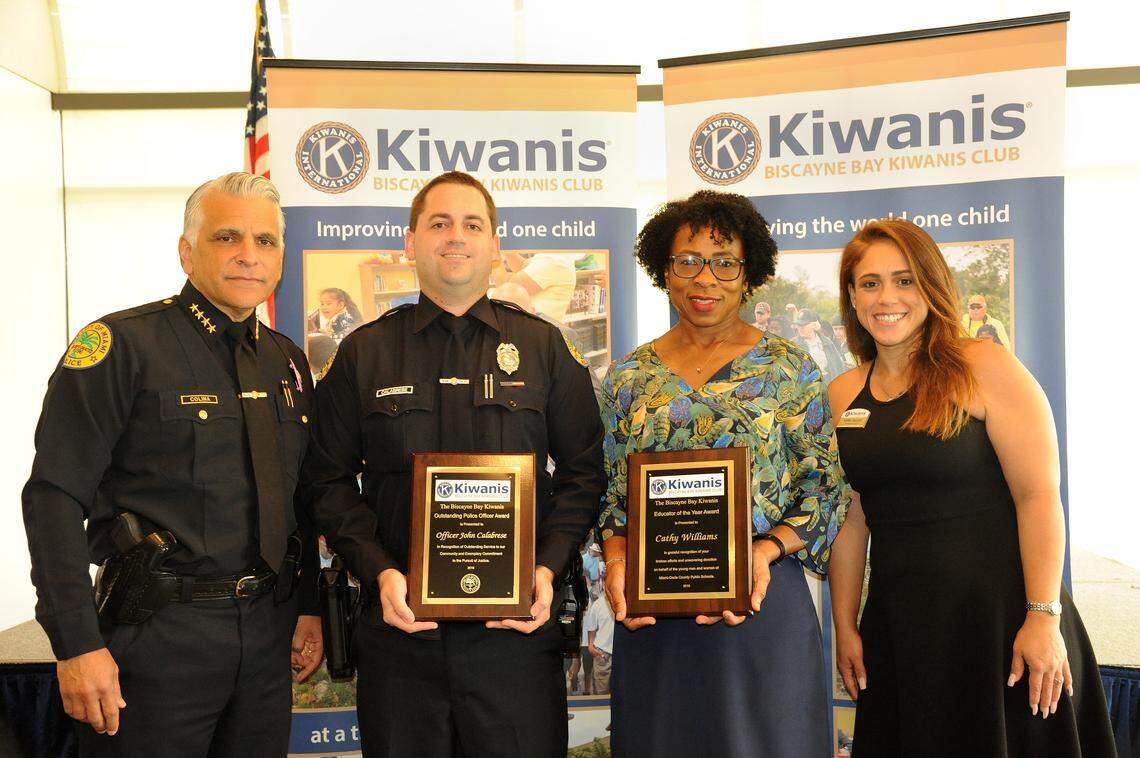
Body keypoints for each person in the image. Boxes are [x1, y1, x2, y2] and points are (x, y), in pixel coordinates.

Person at [303, 171, 605, 758]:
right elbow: (327, 478)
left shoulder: (544, 348)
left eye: (472, 224)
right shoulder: (363, 352)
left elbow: (584, 472)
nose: (456, 237)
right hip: (401, 634)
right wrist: (378, 572)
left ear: (495, 244)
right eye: (439, 223)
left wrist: (546, 569)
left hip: (515, 637)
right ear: (411, 242)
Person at [21, 172, 323, 757]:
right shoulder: (122, 346)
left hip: (266, 637)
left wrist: (307, 604)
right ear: (187, 252)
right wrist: (76, 643)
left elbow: (299, 499)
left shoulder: (285, 361)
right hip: (156, 638)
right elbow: (53, 497)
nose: (248, 254)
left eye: (265, 241)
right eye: (227, 237)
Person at [828, 219, 1114, 757]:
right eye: (870, 283)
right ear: (852, 296)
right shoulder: (843, 393)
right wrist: (845, 625)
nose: (887, 297)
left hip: (1002, 625)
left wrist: (1042, 616)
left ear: (931, 286)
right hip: (901, 628)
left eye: (904, 280)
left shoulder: (984, 366)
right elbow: (853, 518)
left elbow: (1038, 497)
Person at [599, 190, 849, 757]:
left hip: (761, 605)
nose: (704, 278)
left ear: (748, 273)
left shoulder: (789, 367)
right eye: (687, 261)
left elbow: (825, 488)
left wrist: (763, 551)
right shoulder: (628, 377)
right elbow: (613, 496)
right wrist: (616, 562)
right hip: (654, 615)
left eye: (724, 262)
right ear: (665, 271)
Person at [793, 307, 848, 382]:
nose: (800, 328)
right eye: (799, 325)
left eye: (804, 325)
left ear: (813, 325)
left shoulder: (826, 342)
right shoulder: (793, 345)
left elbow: (839, 366)